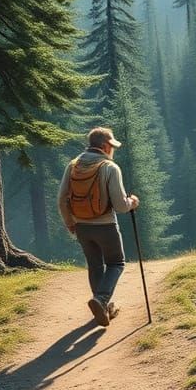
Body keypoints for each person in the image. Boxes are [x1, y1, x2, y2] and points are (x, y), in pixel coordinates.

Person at [57, 127, 140, 327]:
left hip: (81, 226)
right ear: (104, 146)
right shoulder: (110, 168)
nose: (113, 149)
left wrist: (70, 222)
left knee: (95, 266)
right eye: (112, 146)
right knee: (116, 263)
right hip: (106, 226)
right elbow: (120, 206)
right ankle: (101, 300)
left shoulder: (74, 165)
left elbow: (61, 199)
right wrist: (133, 203)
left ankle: (101, 308)